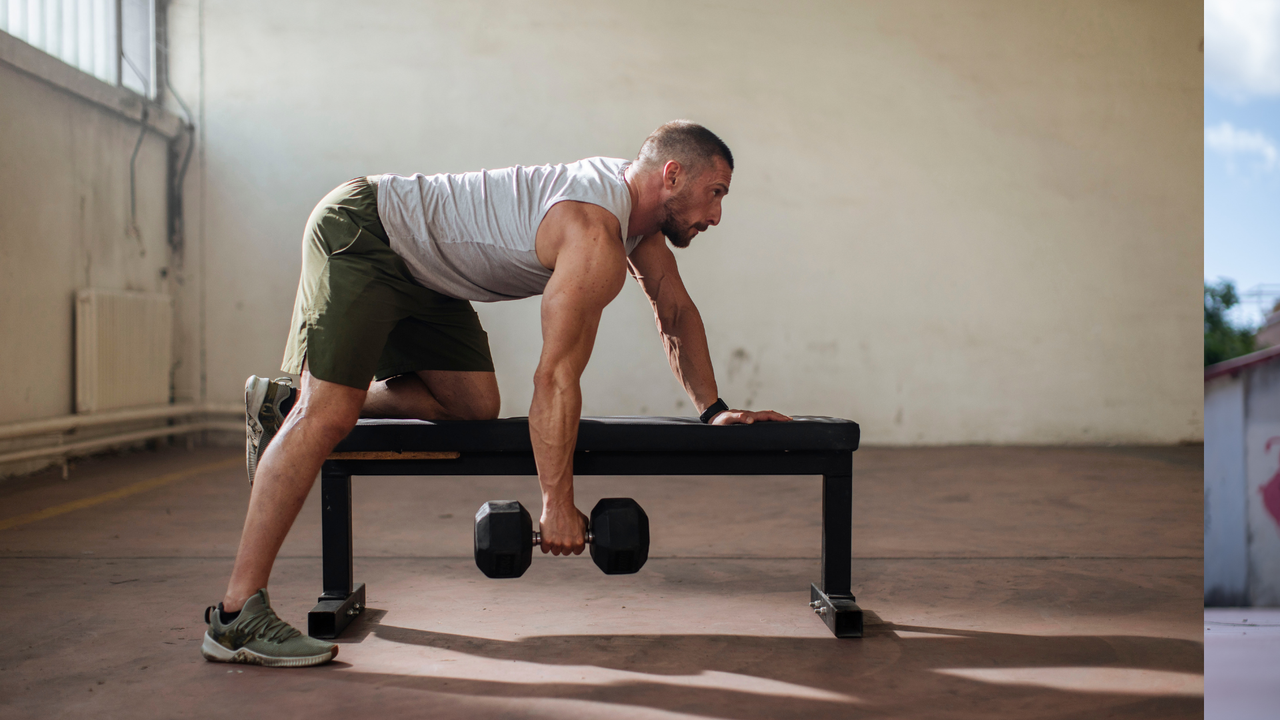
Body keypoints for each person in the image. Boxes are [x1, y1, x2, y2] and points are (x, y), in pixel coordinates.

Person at [200, 120, 790, 667]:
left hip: (426, 269)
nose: (716, 214)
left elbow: (675, 310)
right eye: (716, 193)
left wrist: (714, 411)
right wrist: (557, 503)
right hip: (369, 230)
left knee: (472, 408)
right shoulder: (593, 234)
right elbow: (555, 377)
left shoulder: (631, 217)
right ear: (672, 176)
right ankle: (235, 616)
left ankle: (283, 401)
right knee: (326, 415)